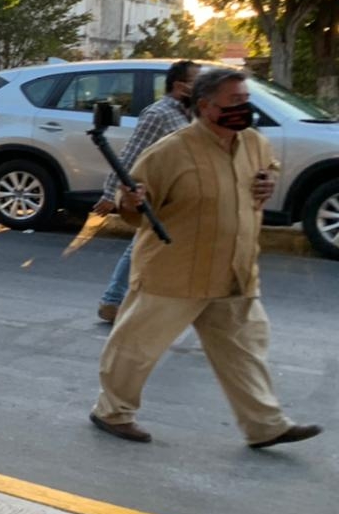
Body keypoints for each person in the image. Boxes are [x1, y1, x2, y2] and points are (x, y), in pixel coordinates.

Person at [90, 67, 322, 449]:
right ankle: (111, 411)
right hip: (175, 270)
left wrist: (268, 180)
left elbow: (267, 171)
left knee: (245, 352)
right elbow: (132, 207)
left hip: (234, 271)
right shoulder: (169, 151)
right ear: (205, 106)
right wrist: (129, 202)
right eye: (235, 102)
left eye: (246, 101)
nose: (244, 109)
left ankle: (265, 425)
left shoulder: (253, 143)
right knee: (134, 348)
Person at [92, 59, 199, 323]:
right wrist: (110, 195)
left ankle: (115, 300)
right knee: (147, 243)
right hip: (160, 194)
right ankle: (116, 300)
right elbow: (131, 155)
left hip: (184, 196)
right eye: (198, 82)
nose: (203, 87)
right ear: (180, 86)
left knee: (146, 244)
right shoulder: (158, 114)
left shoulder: (192, 114)